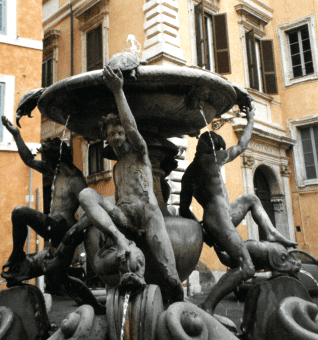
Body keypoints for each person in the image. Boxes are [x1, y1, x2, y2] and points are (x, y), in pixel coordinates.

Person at [54, 66, 184, 302]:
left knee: (171, 275)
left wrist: (118, 91)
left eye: (119, 132)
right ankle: (120, 240)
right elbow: (104, 204)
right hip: (123, 215)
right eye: (111, 134)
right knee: (86, 195)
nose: (116, 137)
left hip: (147, 213)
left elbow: (133, 127)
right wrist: (76, 228)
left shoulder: (140, 153)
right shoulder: (116, 167)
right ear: (106, 138)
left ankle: (177, 308)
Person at [179, 106, 297, 314]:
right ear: (215, 147)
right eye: (219, 147)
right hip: (222, 219)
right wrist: (251, 119)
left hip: (216, 218)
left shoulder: (188, 173)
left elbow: (183, 209)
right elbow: (242, 145)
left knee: (251, 198)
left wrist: (202, 229)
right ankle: (208, 306)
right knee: (246, 266)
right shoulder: (214, 159)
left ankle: (269, 231)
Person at [1, 116, 87, 279]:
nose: (45, 162)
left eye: (47, 158)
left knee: (19, 212)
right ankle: (96, 306)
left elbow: (90, 210)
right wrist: (17, 135)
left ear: (56, 158)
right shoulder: (55, 171)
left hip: (63, 229)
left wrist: (74, 233)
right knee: (60, 278)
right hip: (53, 227)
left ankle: (18, 254)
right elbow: (29, 160)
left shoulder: (75, 179)